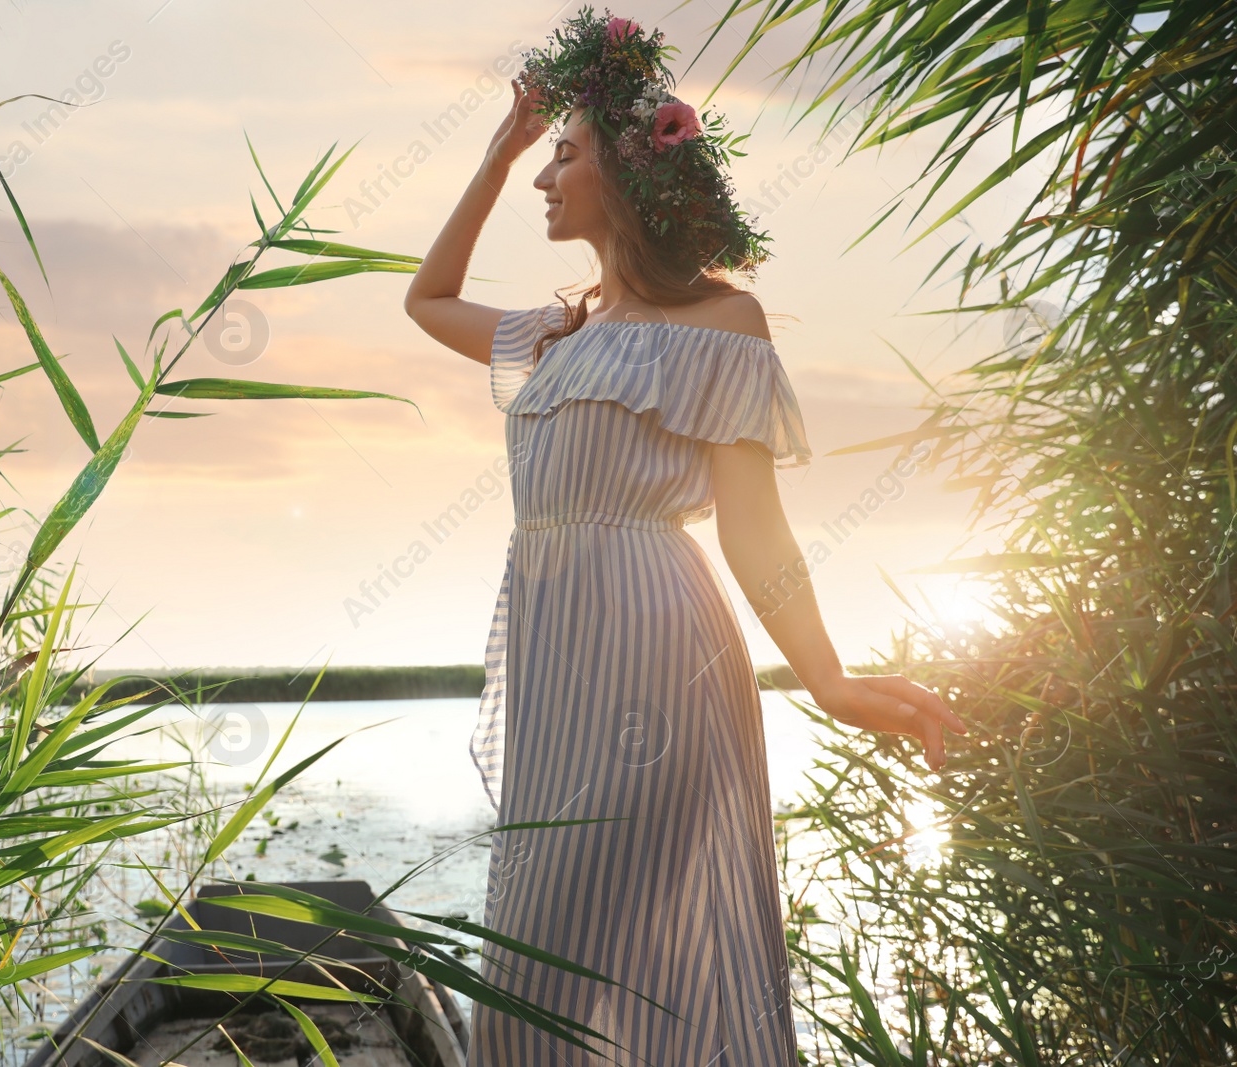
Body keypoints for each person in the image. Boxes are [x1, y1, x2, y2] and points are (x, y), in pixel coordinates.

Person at [403, 10, 967, 1066]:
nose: (544, 180)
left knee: (637, 924)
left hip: (662, 646)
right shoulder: (552, 334)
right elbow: (425, 297)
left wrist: (828, 677)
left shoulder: (724, 324)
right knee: (538, 924)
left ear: (621, 175)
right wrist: (499, 150)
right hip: (556, 652)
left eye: (562, 158)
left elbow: (756, 527)